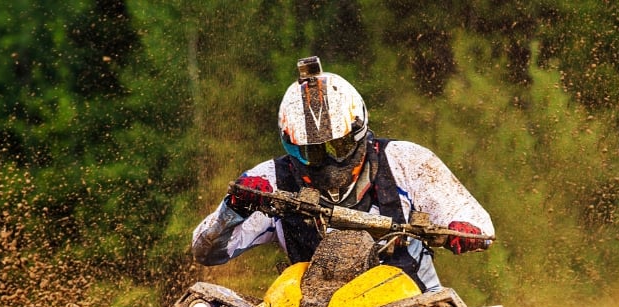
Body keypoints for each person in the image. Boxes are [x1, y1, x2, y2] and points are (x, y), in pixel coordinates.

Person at [191, 56, 493, 292]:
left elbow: (476, 222)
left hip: (409, 305)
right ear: (291, 146)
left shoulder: (406, 160)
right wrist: (234, 209)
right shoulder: (270, 181)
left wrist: (465, 231)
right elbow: (206, 252)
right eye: (312, 152)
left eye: (339, 146)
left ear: (360, 132)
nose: (328, 161)